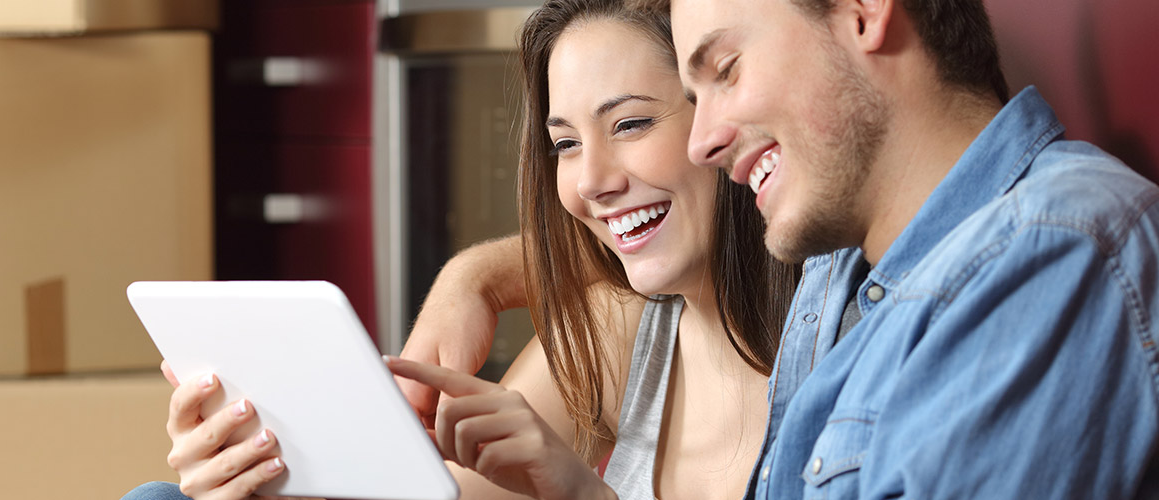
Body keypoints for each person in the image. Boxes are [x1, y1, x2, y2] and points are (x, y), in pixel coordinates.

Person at [411, 0, 1159, 497]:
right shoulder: (840, 269)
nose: (704, 139)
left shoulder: (1054, 257)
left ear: (864, 10)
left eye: (726, 70)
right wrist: (477, 277)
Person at [121, 1, 800, 498]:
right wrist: (270, 470)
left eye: (630, 123)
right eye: (565, 143)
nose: (591, 180)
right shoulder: (623, 327)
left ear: (722, 120)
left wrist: (580, 495)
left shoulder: (849, 343)